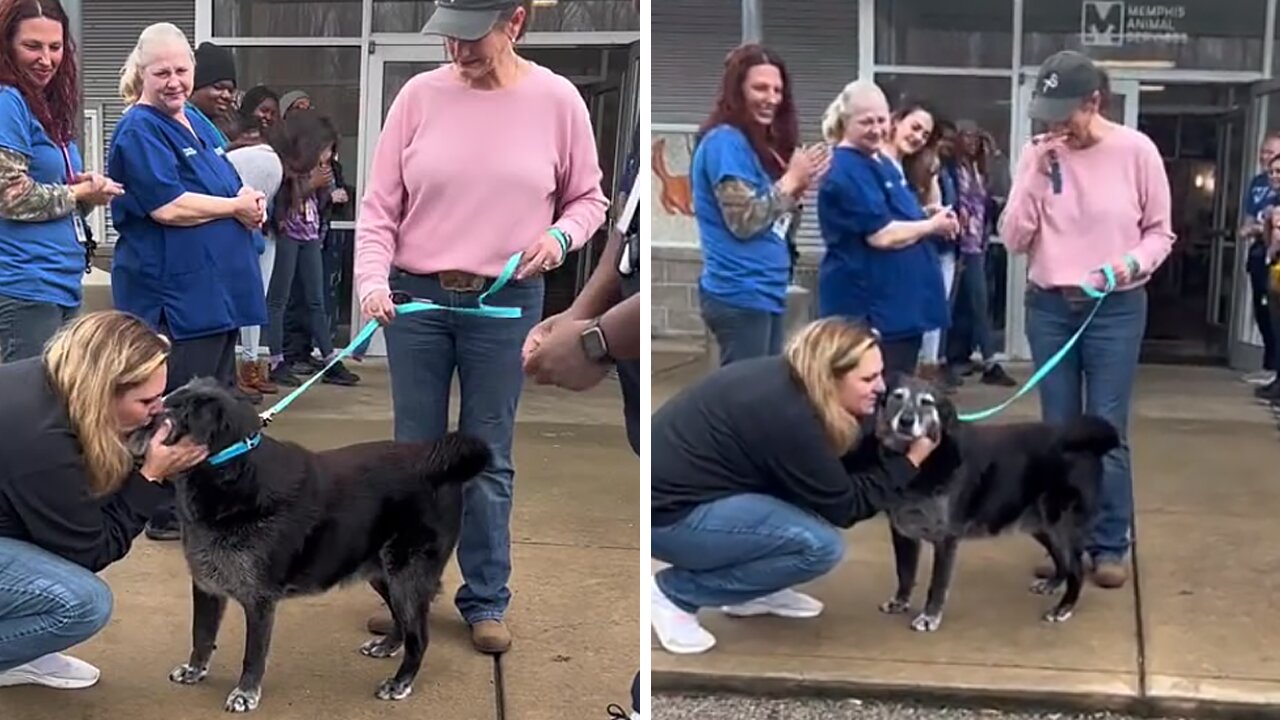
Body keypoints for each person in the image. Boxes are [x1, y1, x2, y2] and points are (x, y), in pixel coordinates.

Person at [355, 0, 608, 654]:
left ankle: (486, 599)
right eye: (449, 38)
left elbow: (589, 200)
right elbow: (380, 206)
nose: (457, 52)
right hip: (417, 302)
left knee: (486, 460)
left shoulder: (558, 102)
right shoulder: (417, 97)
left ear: (515, 22)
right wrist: (372, 281)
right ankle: (406, 593)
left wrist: (560, 236)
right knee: (413, 458)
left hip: (504, 304)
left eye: (473, 38)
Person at [649, 318, 938, 655]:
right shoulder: (792, 416)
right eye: (868, 378)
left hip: (690, 494)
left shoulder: (792, 380)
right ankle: (676, 593)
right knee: (819, 546)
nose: (881, 387)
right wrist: (911, 461)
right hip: (667, 518)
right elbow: (846, 506)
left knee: (802, 510)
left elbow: (823, 478)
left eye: (880, 375)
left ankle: (749, 591)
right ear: (830, 376)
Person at [999, 50, 1175, 589]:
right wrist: (1032, 173)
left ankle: (1108, 543)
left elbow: (1160, 234)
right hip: (1050, 306)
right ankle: (1063, 544)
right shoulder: (1038, 155)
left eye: (1064, 114)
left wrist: (1126, 265)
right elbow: (1012, 238)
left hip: (1115, 308)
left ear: (1094, 102)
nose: (1055, 127)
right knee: (1058, 433)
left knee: (1105, 427)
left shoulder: (1136, 151)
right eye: (1045, 116)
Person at [106, 22, 267, 541]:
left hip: (214, 294)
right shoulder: (139, 129)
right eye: (162, 73)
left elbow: (226, 179)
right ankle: (164, 509)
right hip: (175, 295)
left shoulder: (196, 118)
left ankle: (201, 497)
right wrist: (235, 206)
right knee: (176, 403)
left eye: (181, 70)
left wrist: (250, 201)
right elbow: (167, 206)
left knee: (212, 399)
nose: (173, 81)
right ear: (142, 74)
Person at [0, 311, 208, 689]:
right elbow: (89, 550)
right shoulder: (42, 443)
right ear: (103, 389)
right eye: (146, 400)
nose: (158, 410)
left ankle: (21, 648)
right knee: (80, 604)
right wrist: (151, 476)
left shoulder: (52, 377)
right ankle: (12, 654)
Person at [691, 43, 829, 366]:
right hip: (739, 294)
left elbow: (776, 225)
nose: (771, 98)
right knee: (744, 400)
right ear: (738, 90)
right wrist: (791, 180)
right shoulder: (725, 142)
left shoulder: (757, 147)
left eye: (778, 90)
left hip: (766, 292)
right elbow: (744, 222)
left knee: (762, 393)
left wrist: (797, 189)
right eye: (761, 88)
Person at [0, 0, 123, 362]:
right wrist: (77, 191)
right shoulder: (7, 101)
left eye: (55, 47)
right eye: (32, 46)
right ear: (6, 45)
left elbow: (55, 200)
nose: (46, 59)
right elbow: (10, 197)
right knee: (28, 410)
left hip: (59, 284)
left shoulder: (43, 104)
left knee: (55, 405)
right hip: (24, 287)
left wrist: (87, 193)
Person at [815, 81, 957, 381]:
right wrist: (931, 225)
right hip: (872, 314)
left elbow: (894, 215)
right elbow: (881, 234)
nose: (876, 129)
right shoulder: (845, 169)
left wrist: (926, 215)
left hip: (899, 314)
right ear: (845, 121)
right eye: (866, 121)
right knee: (871, 400)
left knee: (893, 395)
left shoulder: (877, 163)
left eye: (881, 120)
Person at [263, 111, 356, 387]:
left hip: (310, 234)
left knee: (316, 299)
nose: (328, 156)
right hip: (287, 235)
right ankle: (276, 359)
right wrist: (309, 184)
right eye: (325, 149)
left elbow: (320, 204)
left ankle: (329, 359)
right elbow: (280, 204)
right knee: (278, 300)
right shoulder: (283, 168)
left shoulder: (320, 168)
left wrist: (325, 190)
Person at [946, 119, 1016, 387]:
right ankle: (988, 362)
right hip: (958, 248)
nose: (972, 141)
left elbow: (990, 201)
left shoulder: (979, 169)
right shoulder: (951, 171)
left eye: (976, 137)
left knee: (970, 306)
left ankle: (959, 358)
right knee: (972, 305)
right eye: (966, 136)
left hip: (978, 246)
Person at [224, 112, 284, 399]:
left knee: (254, 301)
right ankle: (235, 373)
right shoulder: (246, 160)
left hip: (262, 235)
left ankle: (249, 365)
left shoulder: (274, 164)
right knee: (237, 303)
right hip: (240, 237)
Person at [1245, 133, 1280, 393]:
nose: (1266, 159)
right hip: (1263, 256)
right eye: (1264, 152)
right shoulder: (1257, 183)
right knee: (1264, 311)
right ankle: (1272, 369)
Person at [187, 41, 236, 145]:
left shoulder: (221, 126)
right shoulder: (183, 124)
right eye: (218, 87)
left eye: (230, 91)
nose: (227, 96)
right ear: (195, 87)